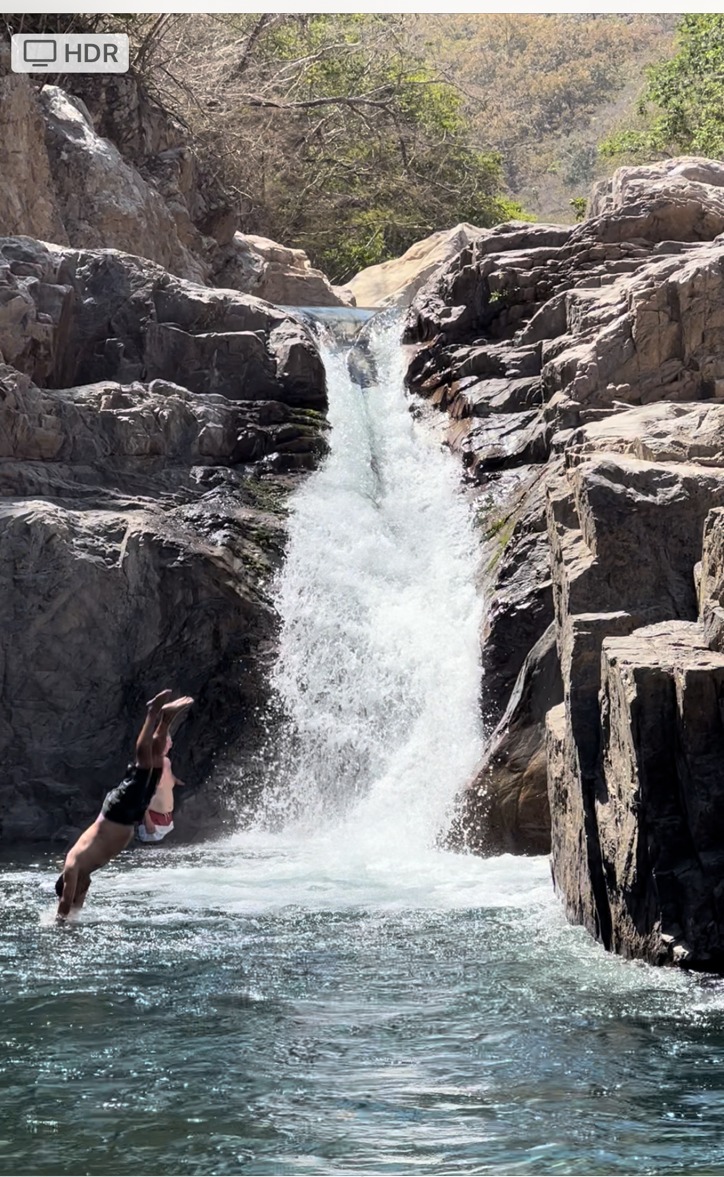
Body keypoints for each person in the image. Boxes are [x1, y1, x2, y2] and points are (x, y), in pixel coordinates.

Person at [54, 691, 194, 919]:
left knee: (144, 764)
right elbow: (75, 907)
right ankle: (167, 718)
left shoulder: (72, 866)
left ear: (66, 884)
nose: (82, 893)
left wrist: (58, 928)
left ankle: (152, 713)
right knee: (157, 764)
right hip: (131, 816)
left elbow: (65, 905)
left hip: (116, 812)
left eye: (77, 891)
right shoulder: (85, 876)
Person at [136, 732, 184, 844]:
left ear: (170, 744)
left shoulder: (166, 762)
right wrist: (147, 820)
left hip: (168, 821)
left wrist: (176, 781)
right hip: (153, 823)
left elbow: (168, 777)